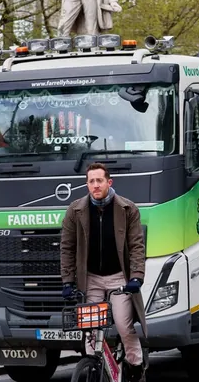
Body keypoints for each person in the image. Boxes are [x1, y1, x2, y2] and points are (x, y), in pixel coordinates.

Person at [60, 163, 147, 382]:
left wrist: (136, 277)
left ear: (109, 182)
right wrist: (68, 281)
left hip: (119, 278)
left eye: (99, 180)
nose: (95, 185)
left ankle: (136, 366)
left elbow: (137, 245)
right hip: (91, 279)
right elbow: (67, 247)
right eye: (91, 181)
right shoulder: (75, 210)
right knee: (90, 329)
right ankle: (94, 368)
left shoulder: (128, 209)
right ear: (87, 184)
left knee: (124, 326)